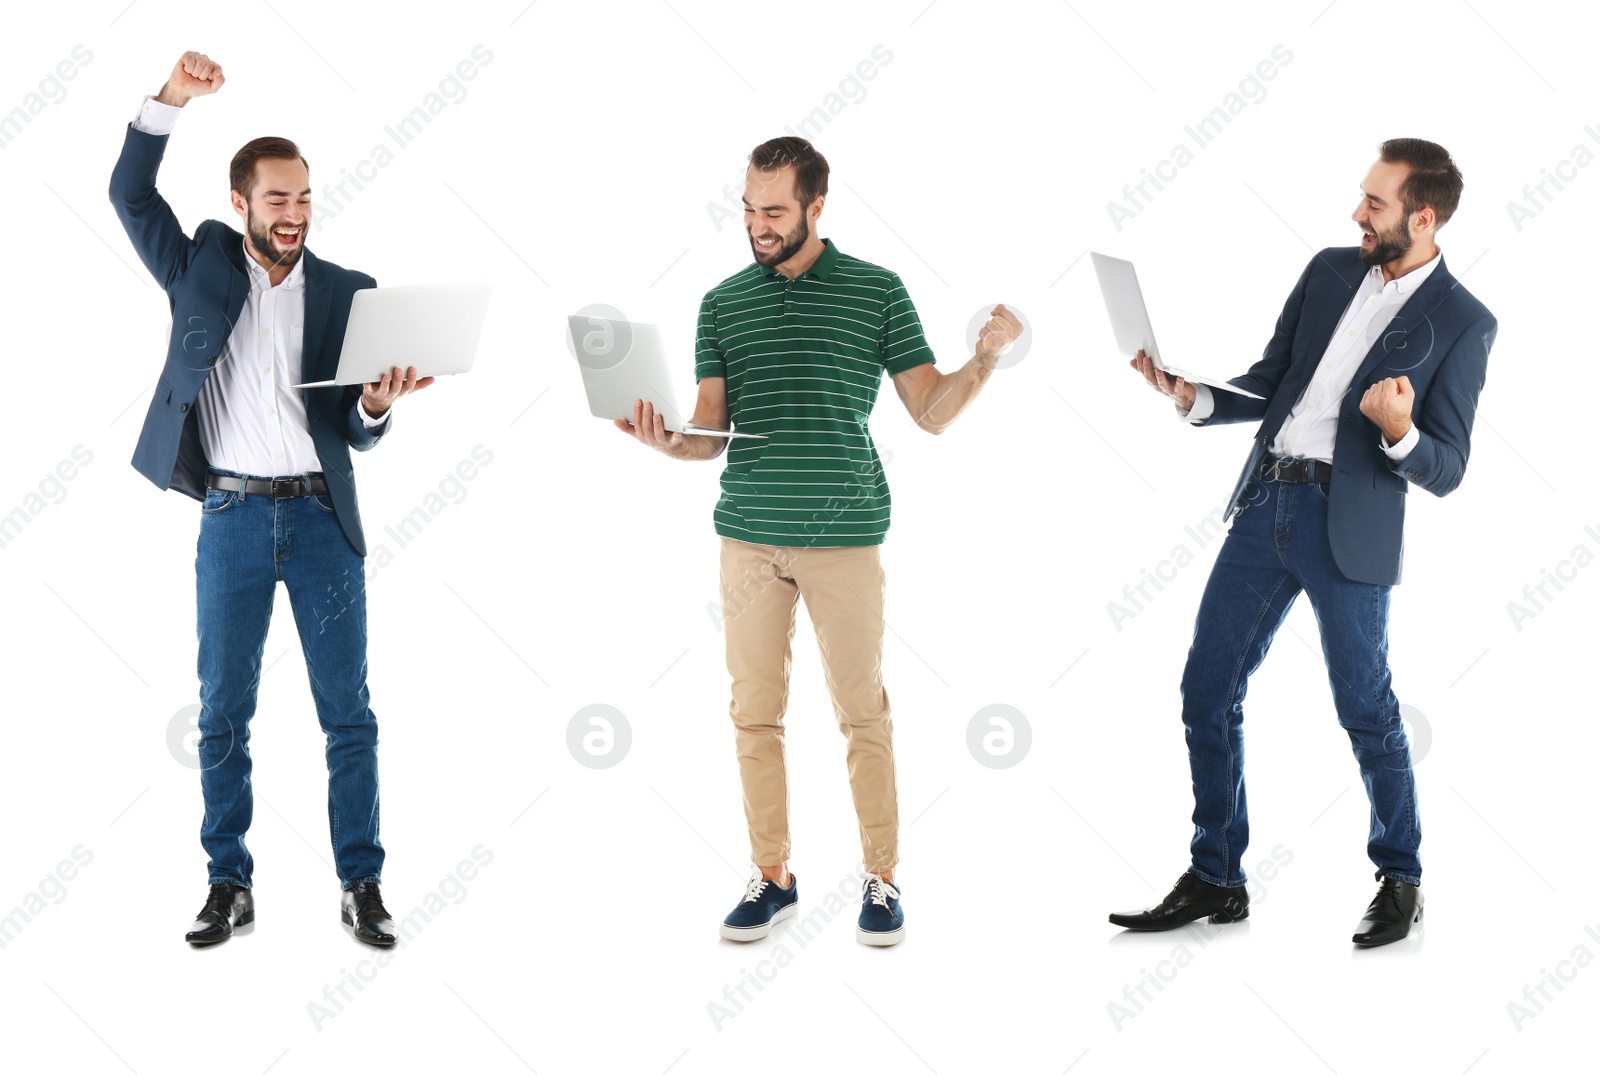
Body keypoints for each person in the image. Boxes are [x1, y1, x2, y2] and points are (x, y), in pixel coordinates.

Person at [617, 136, 1022, 946]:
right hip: (749, 543)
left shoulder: (876, 291)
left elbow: (929, 412)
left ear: (815, 206)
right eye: (748, 208)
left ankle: (881, 877)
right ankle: (772, 877)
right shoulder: (723, 302)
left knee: (862, 711)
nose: (757, 225)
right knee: (754, 714)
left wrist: (982, 359)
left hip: (845, 539)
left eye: (774, 210)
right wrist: (668, 442)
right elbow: (710, 433)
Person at [1109, 139, 1496, 947]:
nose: (1358, 213)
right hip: (1267, 504)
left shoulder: (1464, 322)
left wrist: (1398, 433)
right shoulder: (1328, 270)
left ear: (1422, 218)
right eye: (1363, 197)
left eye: (1376, 204)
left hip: (1348, 529)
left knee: (1366, 707)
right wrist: (1193, 395)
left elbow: (1450, 467)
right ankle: (1217, 874)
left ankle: (1401, 876)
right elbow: (1274, 379)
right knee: (1205, 690)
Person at [109, 52, 432, 947]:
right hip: (233, 519)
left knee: (349, 713)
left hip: (325, 521)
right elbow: (130, 195)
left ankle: (361, 884)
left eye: (304, 198)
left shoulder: (347, 291)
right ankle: (227, 881)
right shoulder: (198, 266)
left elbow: (354, 424)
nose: (294, 214)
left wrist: (375, 406)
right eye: (277, 199)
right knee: (221, 711)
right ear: (242, 202)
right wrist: (173, 98)